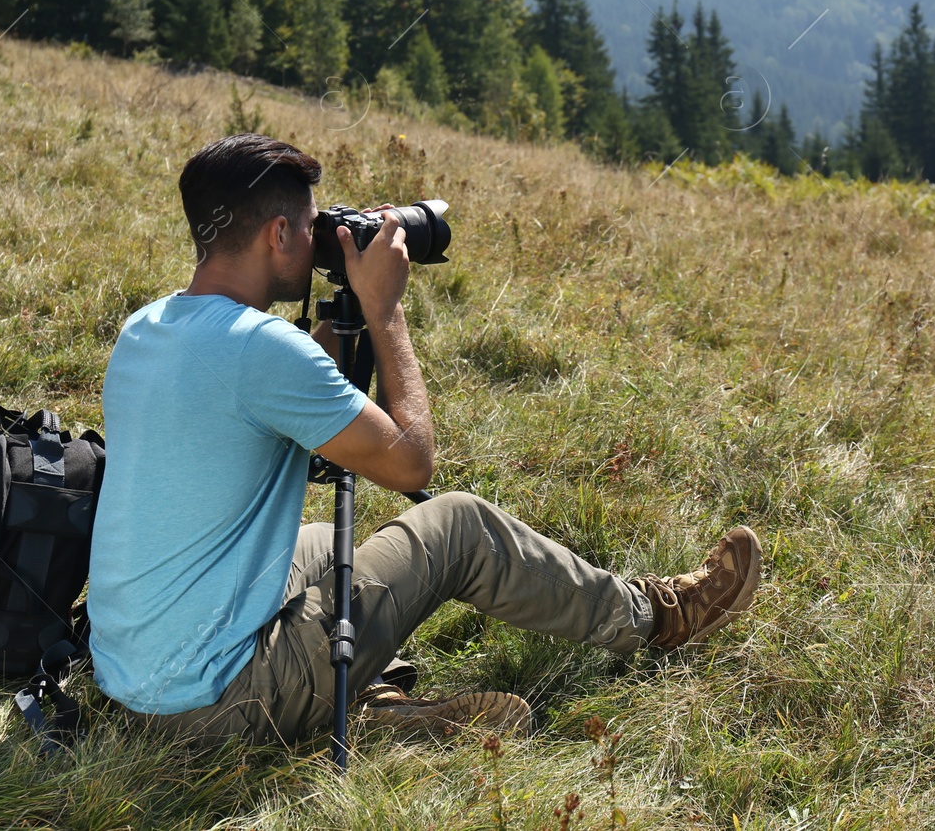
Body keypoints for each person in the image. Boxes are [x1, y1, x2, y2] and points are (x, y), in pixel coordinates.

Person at [87, 134, 762, 745]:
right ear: (279, 234)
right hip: (218, 703)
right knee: (458, 526)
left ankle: (373, 701)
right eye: (313, 225)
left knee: (329, 546)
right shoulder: (260, 352)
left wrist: (344, 307)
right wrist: (382, 309)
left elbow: (293, 394)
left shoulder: (148, 327)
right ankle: (659, 616)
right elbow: (411, 462)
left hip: (132, 682)